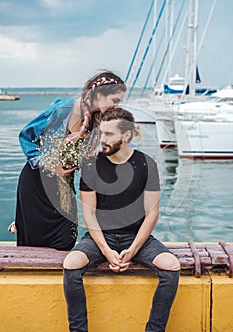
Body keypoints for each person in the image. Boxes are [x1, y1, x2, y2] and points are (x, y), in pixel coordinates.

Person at [63, 107, 180, 331]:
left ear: (126, 136)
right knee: (71, 264)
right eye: (101, 133)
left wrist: (133, 249)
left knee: (171, 266)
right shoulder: (91, 165)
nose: (102, 140)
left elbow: (152, 214)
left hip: (137, 237)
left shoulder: (147, 164)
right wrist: (106, 251)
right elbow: (88, 213)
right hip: (100, 238)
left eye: (109, 134)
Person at [9, 71, 126, 250]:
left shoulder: (97, 119)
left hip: (65, 185)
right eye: (115, 100)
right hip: (36, 185)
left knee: (66, 239)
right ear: (100, 94)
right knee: (33, 242)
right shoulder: (63, 109)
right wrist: (48, 164)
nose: (117, 106)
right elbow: (26, 135)